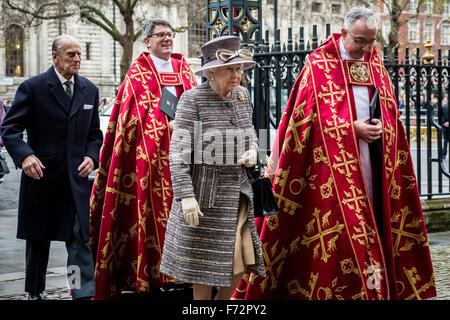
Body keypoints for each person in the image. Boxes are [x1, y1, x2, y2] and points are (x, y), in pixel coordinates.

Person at [232, 7, 436, 300]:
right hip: (328, 176)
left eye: (371, 41)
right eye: (360, 41)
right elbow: (301, 123)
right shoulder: (318, 66)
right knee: (343, 238)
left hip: (374, 168)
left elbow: (393, 116)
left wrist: (382, 128)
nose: (366, 48)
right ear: (343, 34)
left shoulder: (376, 65)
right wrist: (350, 130)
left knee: (376, 223)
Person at [89, 19, 197, 299]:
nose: (166, 39)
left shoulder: (184, 70)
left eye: (169, 35)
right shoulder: (137, 75)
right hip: (148, 163)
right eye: (160, 35)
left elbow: (198, 107)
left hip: (187, 159)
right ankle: (153, 274)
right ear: (147, 41)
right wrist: (164, 130)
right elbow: (130, 123)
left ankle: (186, 273)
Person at [159, 35, 266, 300]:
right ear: (211, 72)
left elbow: (250, 130)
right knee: (203, 269)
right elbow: (178, 152)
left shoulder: (242, 95)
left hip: (238, 193)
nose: (236, 74)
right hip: (205, 194)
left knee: (244, 259)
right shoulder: (192, 100)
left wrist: (254, 150)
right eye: (230, 68)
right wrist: (186, 197)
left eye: (239, 68)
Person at [0, 35, 103, 300]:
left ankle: (80, 292)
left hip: (76, 181)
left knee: (79, 240)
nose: (77, 59)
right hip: (42, 178)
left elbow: (95, 135)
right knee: (38, 240)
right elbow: (10, 129)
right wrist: (25, 157)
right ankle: (36, 292)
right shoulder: (33, 88)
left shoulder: (89, 89)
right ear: (55, 57)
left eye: (79, 54)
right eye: (71, 54)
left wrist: (92, 157)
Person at [441, 95, 448, 159]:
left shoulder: (443, 106)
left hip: (445, 126)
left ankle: (444, 154)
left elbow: (440, 116)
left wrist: (444, 123)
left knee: (445, 140)